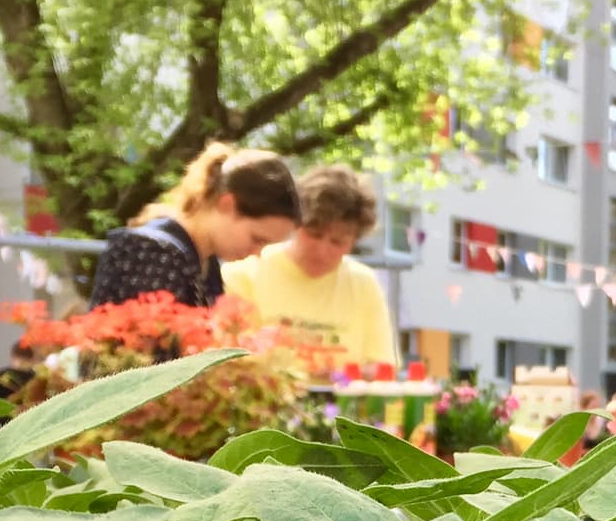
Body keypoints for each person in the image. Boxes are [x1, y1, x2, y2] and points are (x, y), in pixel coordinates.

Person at [223, 165, 398, 376]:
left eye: (337, 242)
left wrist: (339, 376)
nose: (322, 250)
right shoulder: (244, 274)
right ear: (295, 225)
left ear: (354, 241)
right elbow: (231, 362)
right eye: (314, 234)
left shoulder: (364, 283)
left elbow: (384, 367)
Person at [90, 143, 299, 311]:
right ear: (227, 204)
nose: (257, 253)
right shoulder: (151, 253)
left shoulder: (207, 263)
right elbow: (146, 356)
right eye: (257, 239)